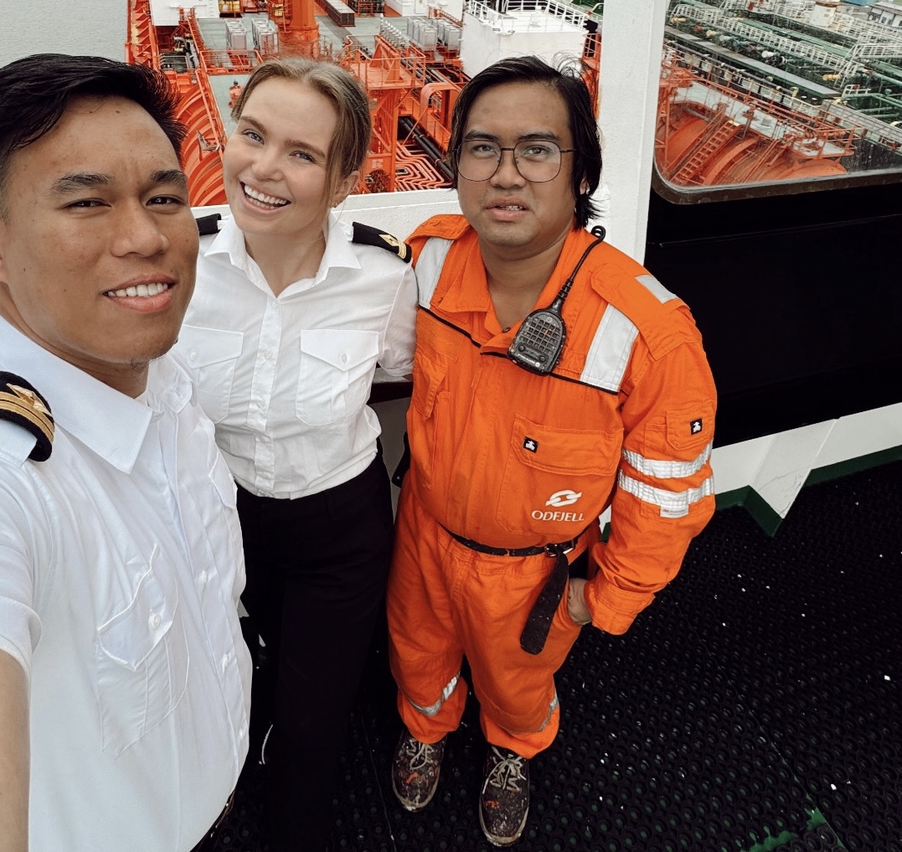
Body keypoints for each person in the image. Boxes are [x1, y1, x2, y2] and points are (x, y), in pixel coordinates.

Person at [0, 54, 252, 852]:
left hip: (210, 803)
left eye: (164, 197)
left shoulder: (155, 369)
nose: (146, 237)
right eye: (87, 202)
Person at [387, 55, 717, 847]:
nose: (505, 174)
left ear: (582, 174)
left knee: (519, 683)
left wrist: (601, 596)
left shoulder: (648, 332)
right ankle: (426, 727)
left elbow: (665, 491)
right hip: (424, 535)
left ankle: (514, 748)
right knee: (417, 654)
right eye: (481, 147)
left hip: (533, 573)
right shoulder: (428, 259)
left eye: (536, 149)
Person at [174, 57, 416, 850]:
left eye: (303, 154)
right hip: (222, 512)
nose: (264, 167)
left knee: (312, 722)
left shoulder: (383, 274)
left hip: (337, 525)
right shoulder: (182, 261)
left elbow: (403, 367)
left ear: (343, 183)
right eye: (253, 135)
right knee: (239, 678)